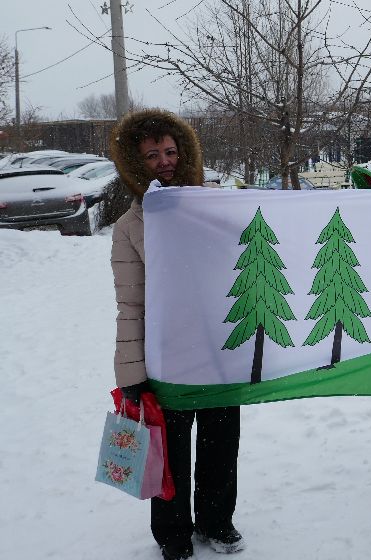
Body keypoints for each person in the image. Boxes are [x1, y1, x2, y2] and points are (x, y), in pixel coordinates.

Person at [110, 109, 244, 560]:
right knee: (170, 450)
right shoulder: (130, 226)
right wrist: (131, 373)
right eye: (152, 155)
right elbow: (131, 305)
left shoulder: (211, 207)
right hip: (165, 355)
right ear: (135, 162)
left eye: (171, 151)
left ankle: (216, 520)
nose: (165, 161)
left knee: (221, 444)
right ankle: (173, 534)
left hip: (219, 349)